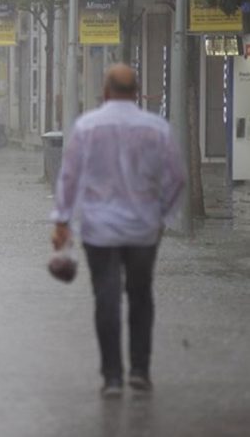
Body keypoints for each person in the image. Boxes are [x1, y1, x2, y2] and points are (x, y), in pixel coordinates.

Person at [51, 64, 186, 398]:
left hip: (99, 230)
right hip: (144, 228)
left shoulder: (86, 127)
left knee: (106, 299)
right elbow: (178, 178)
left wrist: (62, 221)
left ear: (106, 92)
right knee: (141, 296)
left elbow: (68, 178)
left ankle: (112, 377)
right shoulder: (157, 128)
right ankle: (140, 371)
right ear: (137, 92)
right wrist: (163, 216)